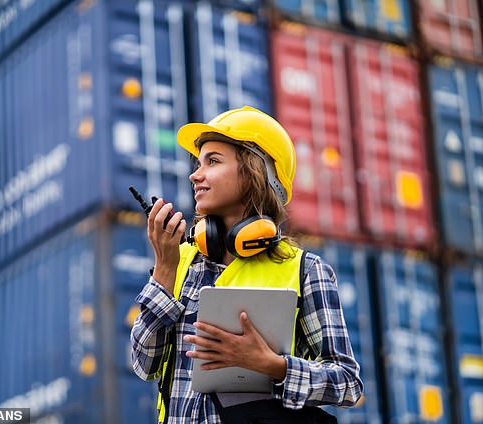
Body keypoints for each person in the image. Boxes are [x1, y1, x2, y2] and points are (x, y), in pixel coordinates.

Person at [130, 106, 363, 423]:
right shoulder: (178, 261)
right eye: (198, 163)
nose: (195, 175)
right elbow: (144, 365)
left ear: (255, 171)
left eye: (212, 161)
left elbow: (347, 384)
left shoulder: (305, 271)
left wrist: (273, 365)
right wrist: (164, 269)